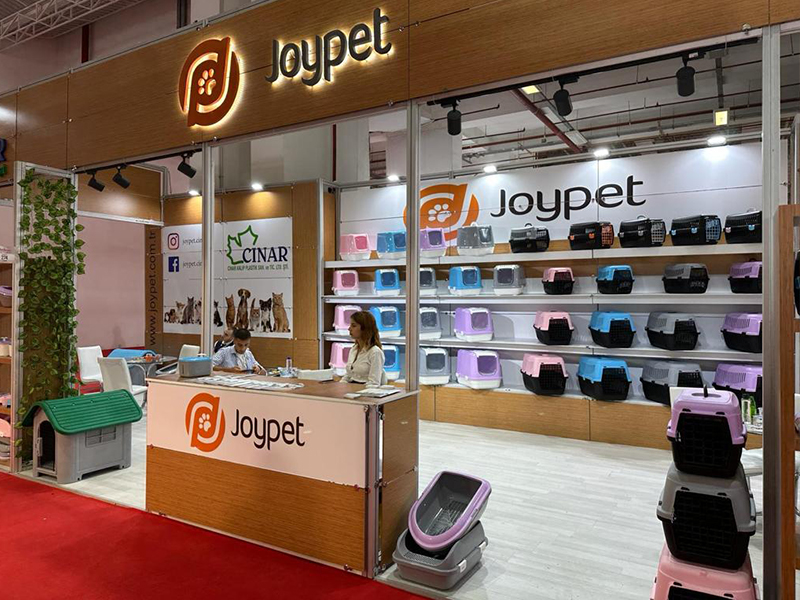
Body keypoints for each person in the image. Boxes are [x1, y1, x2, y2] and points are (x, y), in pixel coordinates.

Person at [341, 310, 387, 387]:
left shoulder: (375, 352)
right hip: (352, 389)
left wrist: (355, 390)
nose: (349, 329)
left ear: (365, 329)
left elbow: (374, 383)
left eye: (354, 326)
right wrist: (339, 386)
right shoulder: (354, 349)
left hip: (365, 390)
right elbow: (348, 375)